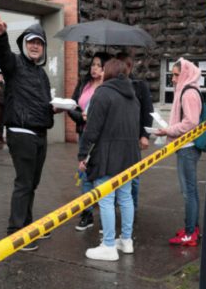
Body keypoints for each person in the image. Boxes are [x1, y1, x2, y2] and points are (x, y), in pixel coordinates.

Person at [0, 11, 56, 250]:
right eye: (31, 42)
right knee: (24, 182)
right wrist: (1, 36)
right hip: (22, 133)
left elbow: (43, 103)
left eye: (39, 42)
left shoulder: (41, 74)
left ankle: (28, 226)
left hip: (40, 134)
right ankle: (16, 232)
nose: (35, 46)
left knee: (32, 183)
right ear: (24, 44)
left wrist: (54, 109)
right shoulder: (14, 64)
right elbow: (2, 55)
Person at [78, 59, 140, 261]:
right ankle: (127, 241)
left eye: (103, 69)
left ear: (109, 72)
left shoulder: (102, 93)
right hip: (129, 156)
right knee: (125, 197)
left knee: (106, 199)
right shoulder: (133, 96)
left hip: (106, 155)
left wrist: (83, 155)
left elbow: (92, 130)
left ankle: (109, 245)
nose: (101, 72)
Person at [154, 58, 202, 246]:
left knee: (188, 192)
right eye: (172, 75)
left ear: (185, 74)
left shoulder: (188, 93)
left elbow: (191, 122)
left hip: (187, 148)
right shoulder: (188, 89)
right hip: (187, 147)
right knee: (191, 191)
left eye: (175, 74)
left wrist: (169, 131)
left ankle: (190, 233)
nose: (173, 79)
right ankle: (193, 228)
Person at [67, 52, 112, 231]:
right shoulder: (84, 84)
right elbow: (72, 106)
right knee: (85, 176)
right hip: (84, 136)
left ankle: (105, 218)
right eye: (93, 64)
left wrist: (92, 118)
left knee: (101, 177)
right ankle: (87, 214)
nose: (94, 68)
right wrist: (82, 117)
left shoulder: (108, 87)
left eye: (99, 65)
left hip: (102, 139)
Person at [115, 52, 154, 212]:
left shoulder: (139, 86)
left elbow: (148, 112)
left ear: (129, 67)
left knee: (133, 177)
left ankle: (132, 209)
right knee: (114, 176)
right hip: (115, 139)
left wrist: (145, 136)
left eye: (121, 66)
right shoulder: (112, 85)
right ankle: (119, 207)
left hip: (133, 140)